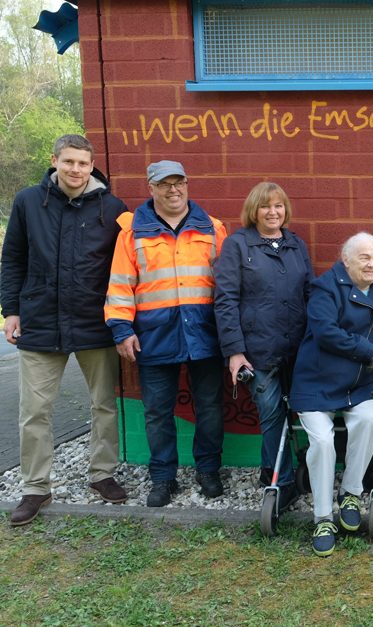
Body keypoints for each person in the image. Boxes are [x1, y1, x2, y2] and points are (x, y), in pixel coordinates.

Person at [1, 134, 129, 526]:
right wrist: (11, 311)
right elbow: (13, 258)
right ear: (54, 160)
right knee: (34, 410)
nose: (76, 169)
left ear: (92, 166)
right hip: (40, 321)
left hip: (94, 321)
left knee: (104, 403)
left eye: (83, 163)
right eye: (69, 162)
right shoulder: (27, 202)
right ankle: (36, 487)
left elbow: (123, 267)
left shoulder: (113, 207)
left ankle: (101, 474)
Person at [105, 160, 228, 508]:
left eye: (179, 182)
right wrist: (121, 328)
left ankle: (208, 470)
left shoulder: (213, 228)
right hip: (154, 335)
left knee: (209, 407)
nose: (173, 190)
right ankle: (163, 477)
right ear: (151, 188)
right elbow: (120, 285)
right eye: (165, 184)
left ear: (187, 184)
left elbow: (228, 285)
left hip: (205, 333)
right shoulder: (132, 233)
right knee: (158, 412)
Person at [213, 181, 312, 514]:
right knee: (272, 415)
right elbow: (225, 300)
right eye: (266, 206)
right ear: (253, 211)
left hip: (297, 349)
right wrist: (235, 352)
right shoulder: (237, 246)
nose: (273, 212)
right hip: (257, 350)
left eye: (279, 206)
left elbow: (308, 293)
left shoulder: (296, 245)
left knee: (299, 413)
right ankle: (279, 483)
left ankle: (282, 470)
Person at [289, 232, 373, 556]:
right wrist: (368, 351)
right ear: (346, 260)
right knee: (321, 441)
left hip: (357, 386)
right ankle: (322, 517)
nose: (372, 264)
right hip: (315, 383)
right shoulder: (325, 288)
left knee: (369, 421)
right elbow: (325, 332)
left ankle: (350, 493)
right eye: (365, 257)